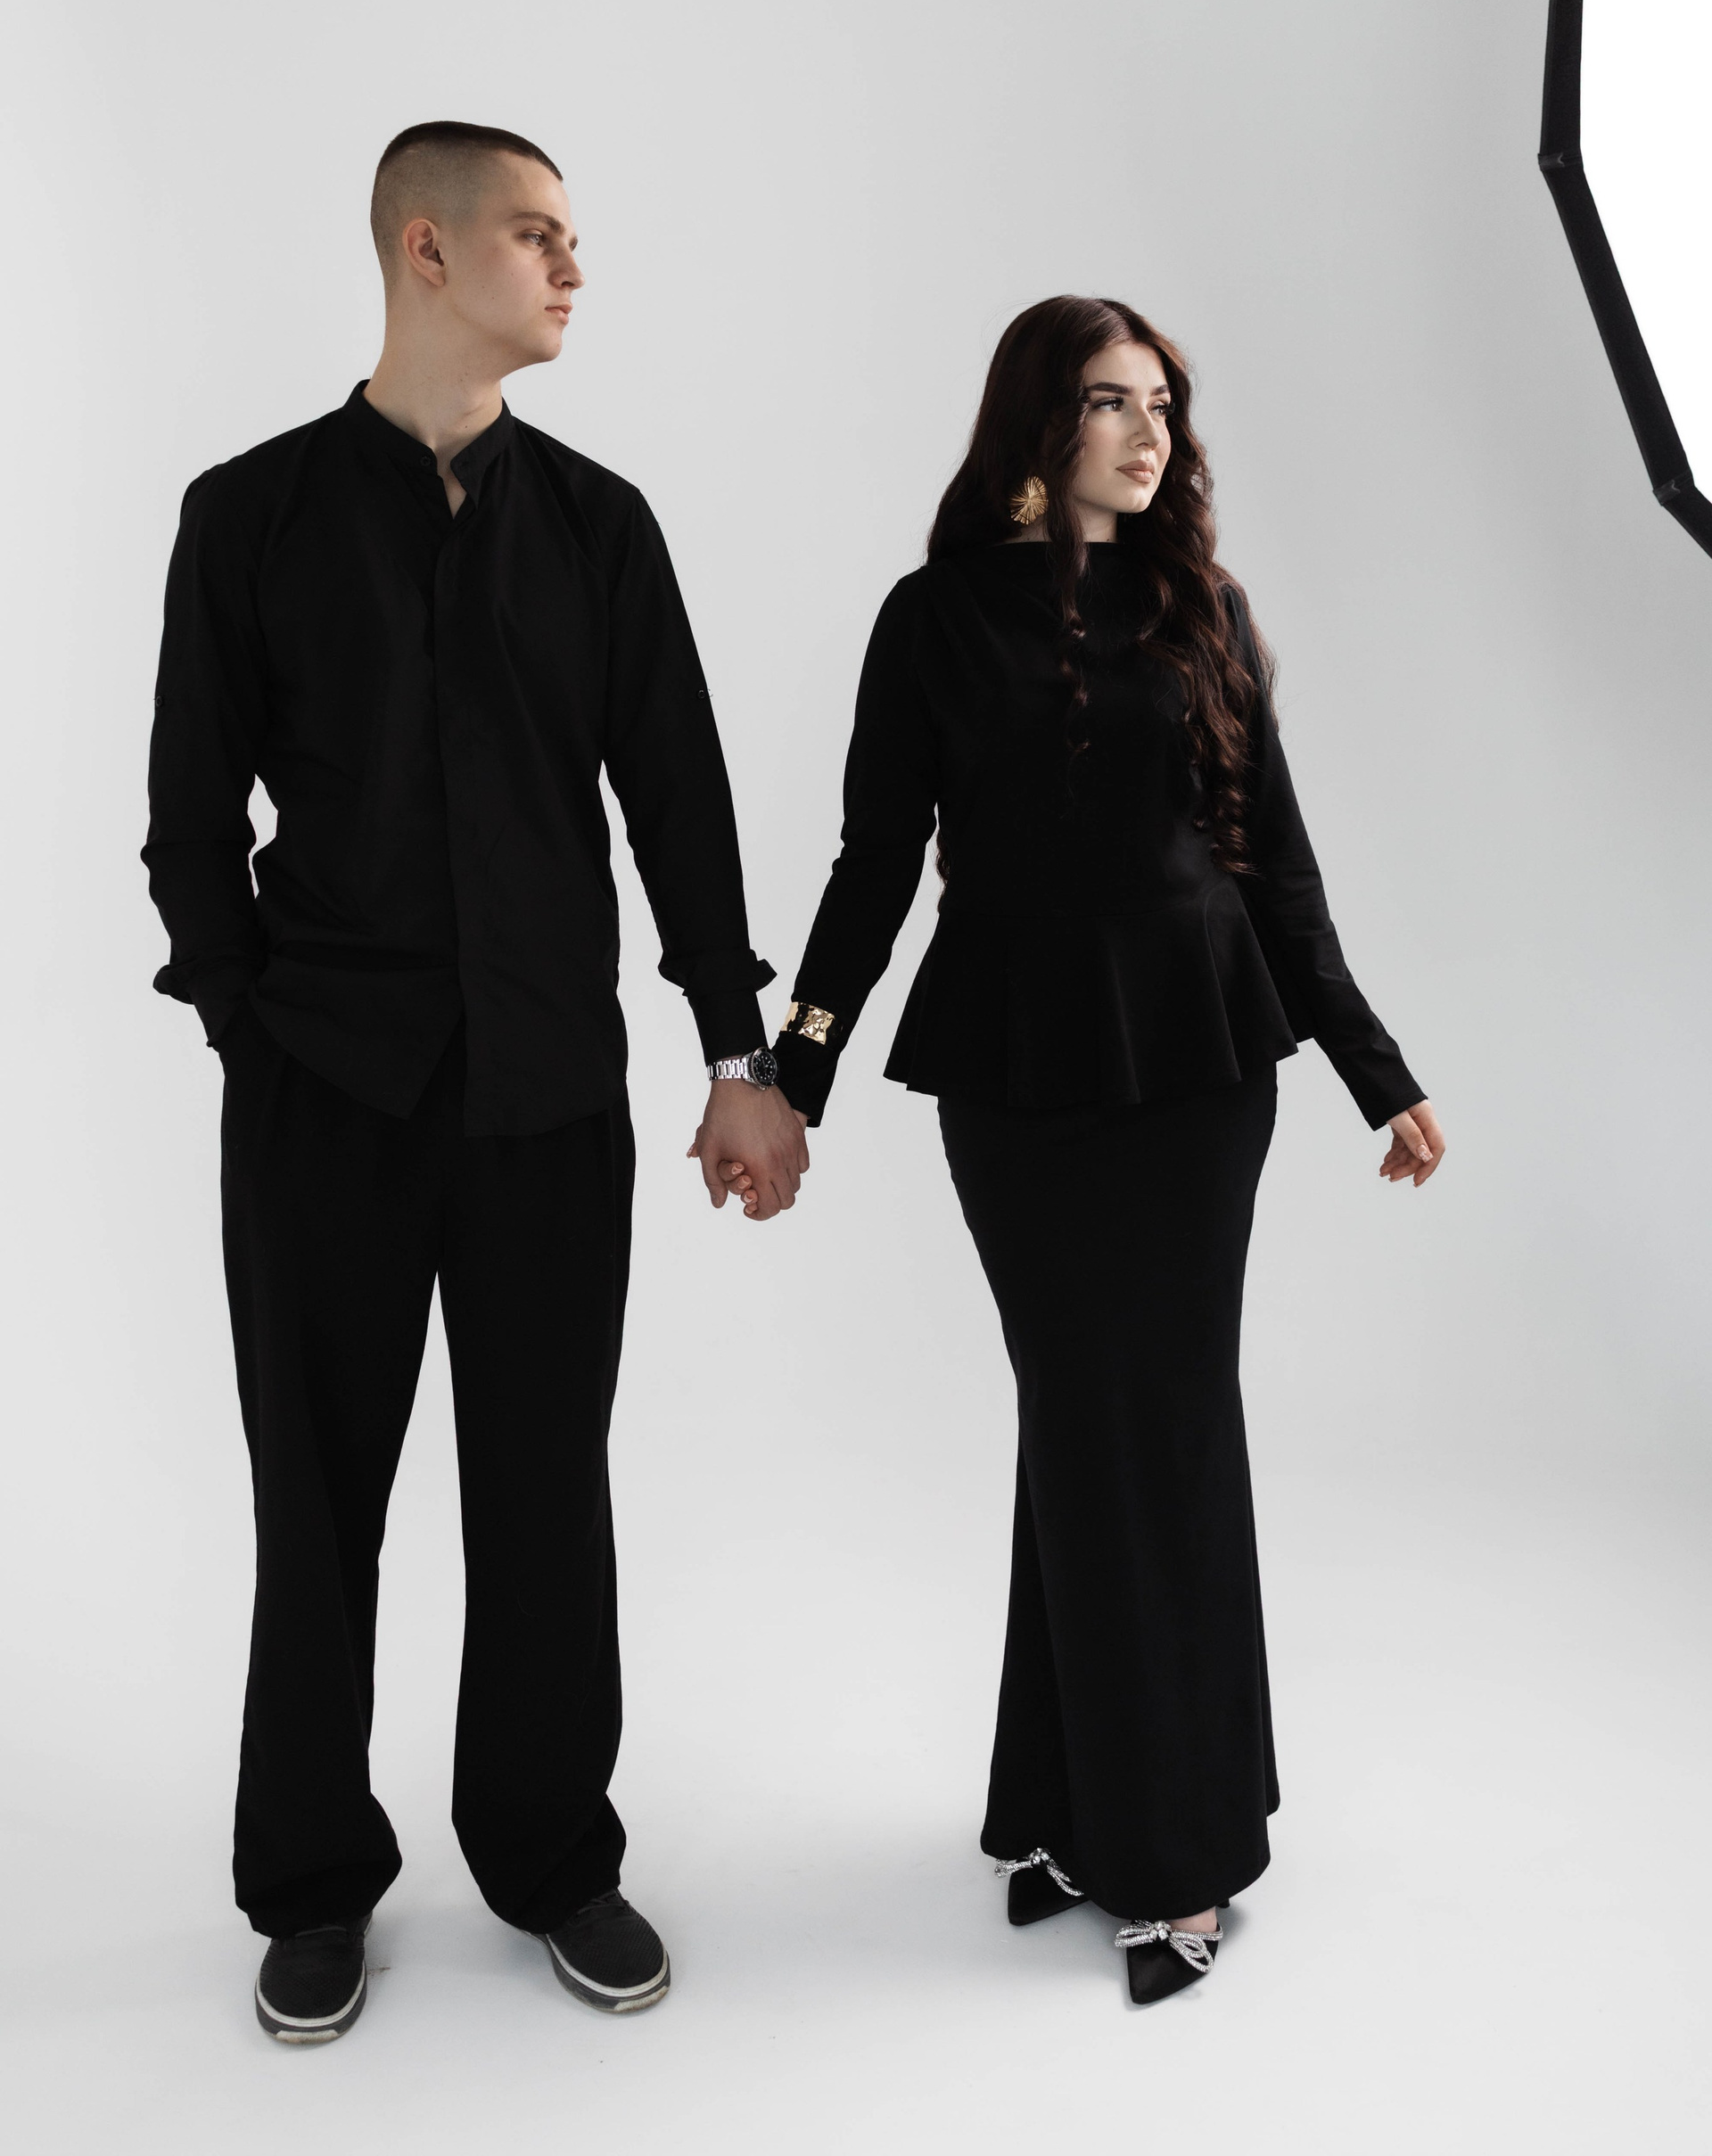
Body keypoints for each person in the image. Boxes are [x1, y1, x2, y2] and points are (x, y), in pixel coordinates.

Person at [144, 119, 807, 2044]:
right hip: (322, 1102)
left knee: (542, 1498)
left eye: (573, 239)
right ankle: (309, 1883)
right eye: (539, 234)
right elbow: (189, 818)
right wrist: (253, 1028)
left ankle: (550, 1856)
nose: (573, 268)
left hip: (547, 1103)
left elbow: (679, 809)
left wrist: (739, 1055)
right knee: (317, 1506)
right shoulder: (248, 514)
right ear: (424, 251)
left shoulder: (602, 527)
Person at [744, 295, 1443, 2007]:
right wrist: (791, 1075)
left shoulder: (1207, 608)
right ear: (1038, 420)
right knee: (1080, 1414)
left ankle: (1178, 1845)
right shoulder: (932, 618)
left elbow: (1275, 863)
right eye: (1114, 403)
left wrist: (1375, 1071)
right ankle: (1068, 1805)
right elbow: (871, 865)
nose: (1151, 435)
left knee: (1163, 1428)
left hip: (1200, 1068)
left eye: (1163, 406)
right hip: (1016, 1074)